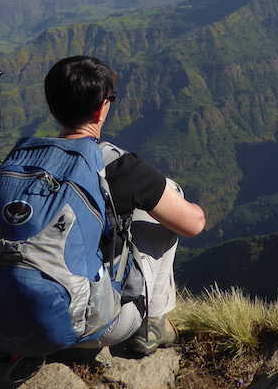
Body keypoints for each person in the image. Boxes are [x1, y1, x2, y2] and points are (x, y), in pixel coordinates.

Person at [44, 55, 206, 356]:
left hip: (17, 315)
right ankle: (152, 323)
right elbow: (193, 224)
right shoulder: (117, 167)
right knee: (169, 193)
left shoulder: (26, 161)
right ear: (101, 108)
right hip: (88, 325)